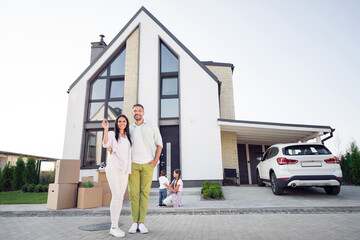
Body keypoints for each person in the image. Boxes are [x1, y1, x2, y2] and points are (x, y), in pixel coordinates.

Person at [128, 104, 163, 234]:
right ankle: (134, 222)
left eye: (139, 111)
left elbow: (159, 144)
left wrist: (155, 161)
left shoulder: (151, 126)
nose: (137, 112)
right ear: (132, 113)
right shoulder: (129, 128)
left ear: (143, 113)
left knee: (144, 193)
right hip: (133, 165)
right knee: (133, 194)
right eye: (135, 111)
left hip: (148, 164)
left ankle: (141, 222)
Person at [102, 115, 132, 238]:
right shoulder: (112, 134)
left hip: (124, 170)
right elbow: (105, 145)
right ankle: (113, 227)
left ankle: (116, 225)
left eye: (124, 121)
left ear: (126, 123)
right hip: (113, 167)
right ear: (116, 123)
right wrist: (105, 128)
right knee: (117, 195)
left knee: (120, 198)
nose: (121, 123)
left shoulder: (128, 137)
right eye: (119, 121)